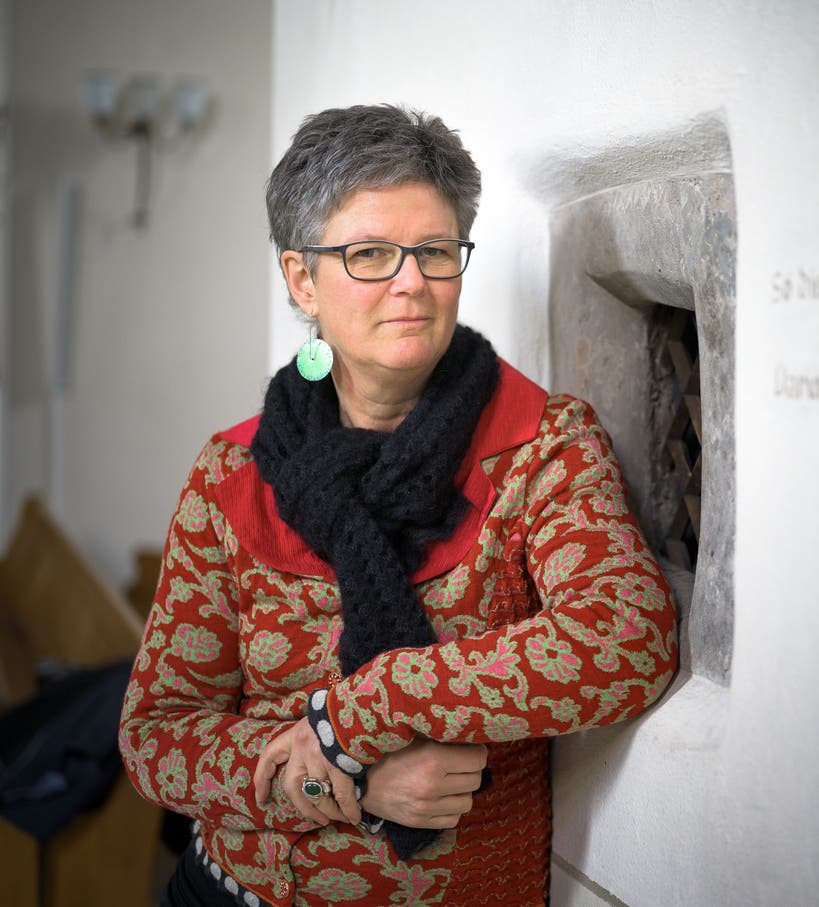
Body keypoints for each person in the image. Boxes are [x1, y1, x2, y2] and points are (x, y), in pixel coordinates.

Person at [119, 104, 678, 907]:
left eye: (434, 251)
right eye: (371, 253)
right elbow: (155, 734)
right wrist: (341, 777)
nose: (411, 280)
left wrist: (368, 708)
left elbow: (627, 638)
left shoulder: (538, 446)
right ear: (301, 278)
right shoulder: (230, 473)